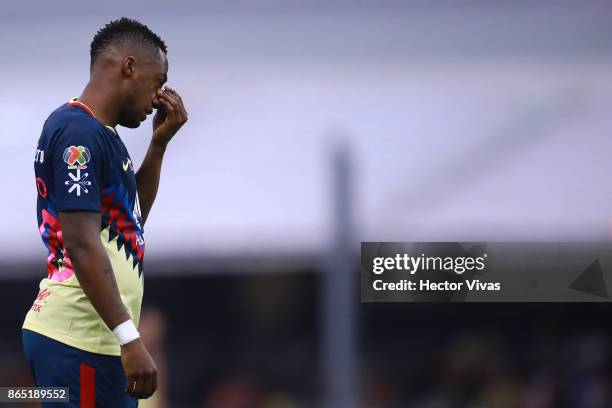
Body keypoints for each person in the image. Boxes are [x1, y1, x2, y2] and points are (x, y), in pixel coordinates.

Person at [22, 17, 188, 407]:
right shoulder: (77, 132)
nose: (157, 98)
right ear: (129, 67)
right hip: (76, 336)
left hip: (97, 339)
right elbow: (81, 243)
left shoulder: (104, 135)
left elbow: (128, 224)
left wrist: (158, 147)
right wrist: (131, 338)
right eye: (157, 82)